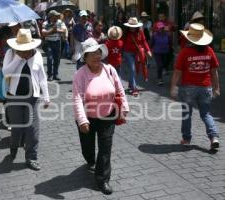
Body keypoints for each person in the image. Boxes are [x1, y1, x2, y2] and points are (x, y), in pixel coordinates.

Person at [72, 38, 129, 195]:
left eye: (98, 52)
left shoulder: (109, 69)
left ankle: (102, 179)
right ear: (85, 57)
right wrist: (82, 120)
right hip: (87, 117)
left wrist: (124, 107)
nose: (96, 56)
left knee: (105, 148)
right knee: (87, 146)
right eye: (91, 54)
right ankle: (90, 160)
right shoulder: (80, 74)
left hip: (107, 115)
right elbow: (77, 98)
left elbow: (119, 89)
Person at [2, 29, 50, 170]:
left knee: (32, 128)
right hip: (14, 96)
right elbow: (6, 73)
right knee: (17, 127)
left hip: (32, 97)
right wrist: (18, 58)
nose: (25, 51)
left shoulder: (38, 55)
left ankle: (31, 157)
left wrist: (46, 96)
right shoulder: (10, 54)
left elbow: (42, 77)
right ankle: (13, 146)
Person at [170, 23, 220, 150]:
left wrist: (173, 87)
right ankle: (214, 137)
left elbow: (177, 72)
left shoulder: (185, 52)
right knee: (206, 114)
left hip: (188, 88)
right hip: (205, 87)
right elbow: (214, 71)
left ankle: (186, 139)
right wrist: (217, 87)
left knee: (187, 113)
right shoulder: (209, 51)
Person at [123, 17, 152, 96]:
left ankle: (130, 83)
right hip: (128, 53)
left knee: (134, 70)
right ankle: (134, 88)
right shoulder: (126, 32)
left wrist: (148, 50)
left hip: (137, 53)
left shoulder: (140, 31)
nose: (132, 28)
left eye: (134, 27)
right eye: (131, 27)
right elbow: (122, 42)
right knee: (132, 69)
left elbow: (144, 41)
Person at [42, 10, 66, 81]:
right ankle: (50, 75)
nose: (57, 17)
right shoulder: (45, 23)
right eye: (55, 15)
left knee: (57, 59)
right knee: (49, 58)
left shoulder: (60, 22)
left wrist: (56, 30)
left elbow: (64, 30)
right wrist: (52, 31)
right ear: (51, 16)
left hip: (57, 42)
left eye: (57, 15)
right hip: (48, 43)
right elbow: (43, 33)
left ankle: (55, 74)